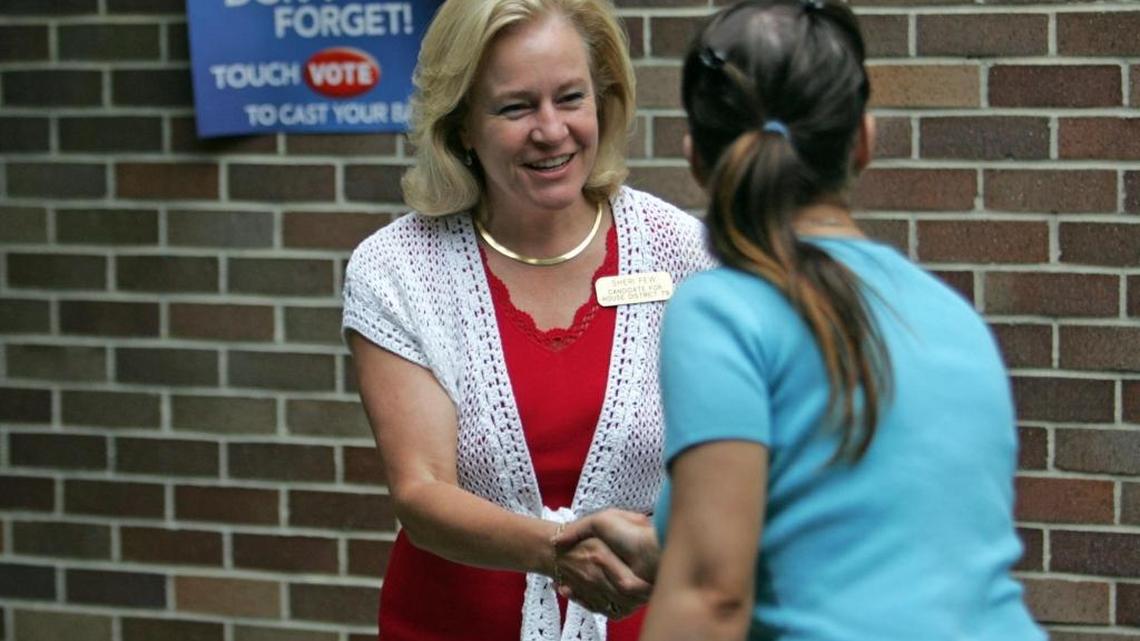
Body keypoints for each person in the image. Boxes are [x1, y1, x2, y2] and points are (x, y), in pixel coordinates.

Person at [555, 1, 1047, 640]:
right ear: (864, 141)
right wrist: (665, 541)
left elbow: (711, 596)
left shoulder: (721, 310)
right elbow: (877, 546)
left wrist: (689, 562)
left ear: (696, 158)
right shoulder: (954, 317)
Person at [340, 0, 714, 639]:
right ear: (460, 126)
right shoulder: (396, 268)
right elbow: (420, 490)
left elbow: (725, 458)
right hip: (451, 622)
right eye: (516, 107)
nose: (552, 130)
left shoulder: (680, 250)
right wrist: (560, 550)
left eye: (570, 98)